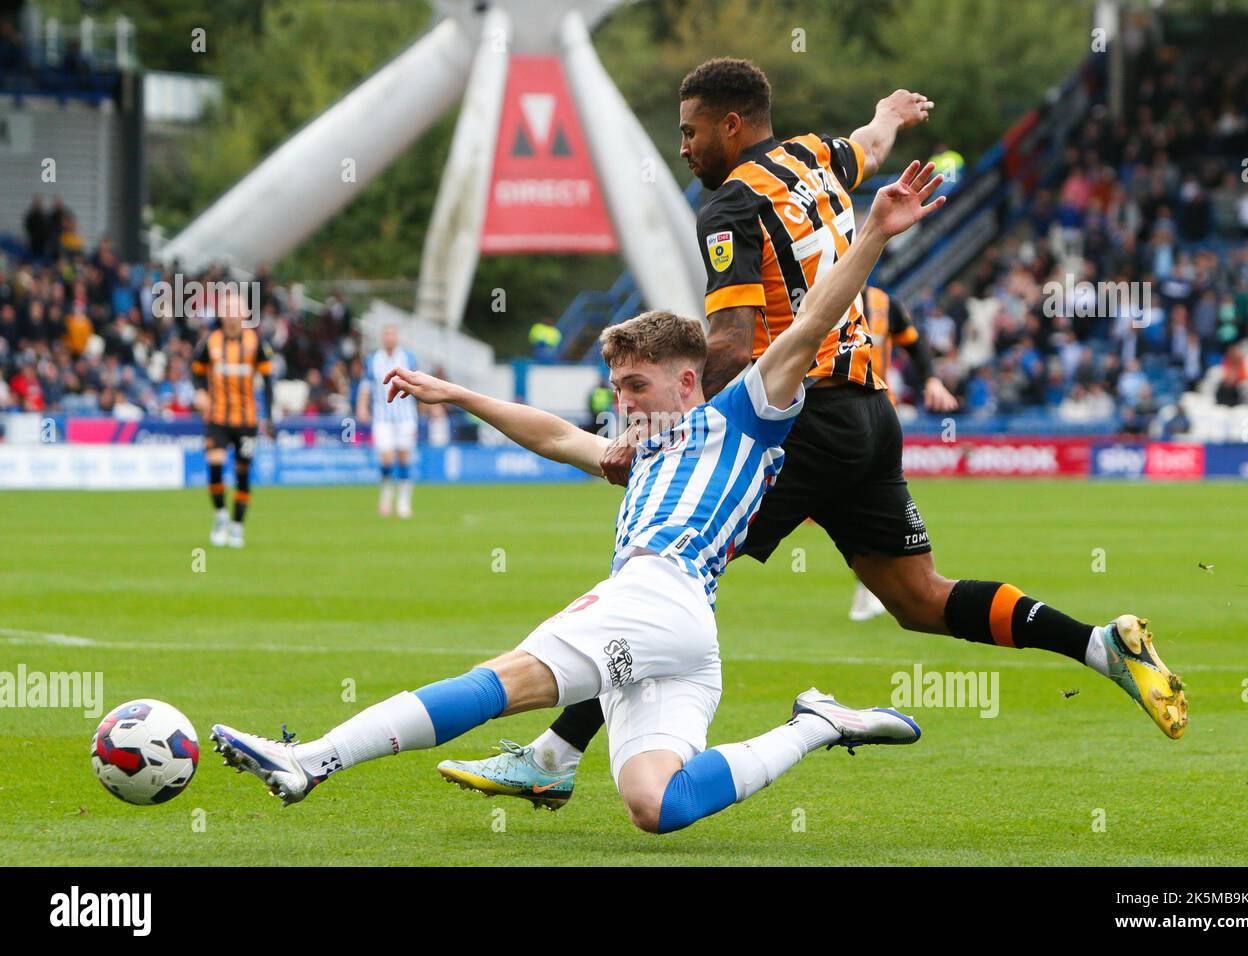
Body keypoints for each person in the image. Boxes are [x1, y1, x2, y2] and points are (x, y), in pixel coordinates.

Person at [446, 57, 1186, 811]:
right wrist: (890, 114)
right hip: (868, 415)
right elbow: (865, 148)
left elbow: (731, 345)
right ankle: (1100, 645)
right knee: (919, 598)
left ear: (730, 125)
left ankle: (551, 754)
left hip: (802, 419)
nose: (684, 148)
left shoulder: (730, 208)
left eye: (690, 132)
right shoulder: (811, 156)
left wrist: (660, 424)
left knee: (664, 572)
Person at [208, 160, 945, 833]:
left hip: (660, 594)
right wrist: (457, 392)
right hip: (687, 639)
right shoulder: (645, 449)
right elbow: (558, 438)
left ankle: (313, 760)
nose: (621, 401)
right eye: (617, 386)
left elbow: (812, 320)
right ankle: (814, 724)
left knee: (498, 681)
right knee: (658, 805)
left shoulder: (744, 413)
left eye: (637, 384)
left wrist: (875, 229)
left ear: (688, 380)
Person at [850, 284, 959, 621]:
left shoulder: (885, 304)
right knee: (862, 505)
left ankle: (874, 588)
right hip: (840, 416)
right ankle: (878, 587)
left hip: (881, 413)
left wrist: (931, 379)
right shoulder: (821, 292)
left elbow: (914, 345)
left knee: (873, 503)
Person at [191, 287, 276, 549]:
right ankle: (220, 516)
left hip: (247, 420)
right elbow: (196, 371)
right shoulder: (210, 342)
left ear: (245, 314)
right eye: (227, 310)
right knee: (214, 466)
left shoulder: (255, 343)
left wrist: (269, 417)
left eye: (236, 310)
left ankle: (238, 526)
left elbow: (268, 381)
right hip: (217, 417)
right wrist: (200, 392)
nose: (231, 315)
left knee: (242, 473)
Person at [357, 324, 420, 518]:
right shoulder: (373, 359)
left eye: (393, 334)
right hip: (382, 417)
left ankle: (403, 500)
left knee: (403, 458)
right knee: (386, 458)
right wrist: (361, 406)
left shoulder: (408, 358)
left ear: (397, 337)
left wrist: (430, 407)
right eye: (386, 334)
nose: (389, 338)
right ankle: (386, 495)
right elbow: (366, 385)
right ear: (382, 338)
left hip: (405, 417)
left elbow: (420, 384)